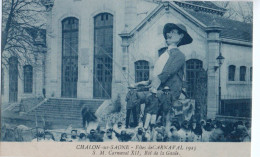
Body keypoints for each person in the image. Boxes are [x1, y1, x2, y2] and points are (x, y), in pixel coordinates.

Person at [150, 22, 192, 101]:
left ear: (181, 36)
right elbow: (158, 72)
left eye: (173, 32)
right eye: (168, 32)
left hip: (169, 92)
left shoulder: (179, 55)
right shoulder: (164, 54)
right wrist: (147, 82)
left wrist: (156, 82)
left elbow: (168, 72)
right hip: (159, 89)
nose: (168, 34)